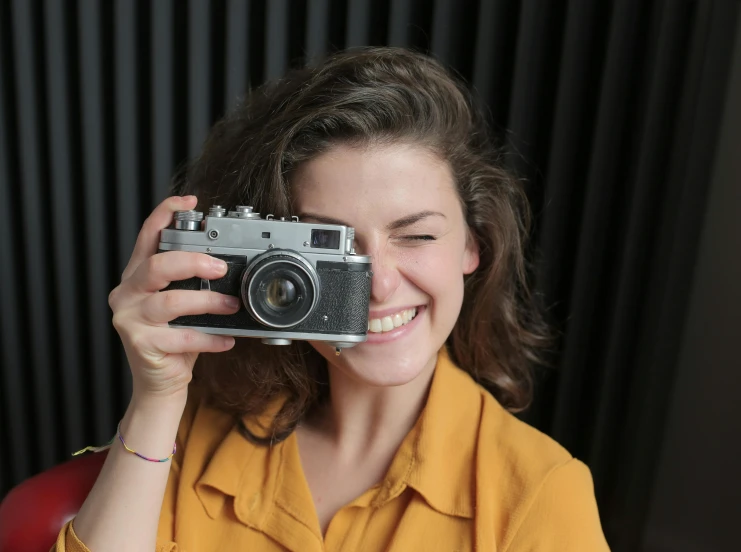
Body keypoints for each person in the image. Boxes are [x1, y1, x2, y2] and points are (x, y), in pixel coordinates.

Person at [54, 47, 609, 551]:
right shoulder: (194, 425)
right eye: (332, 248)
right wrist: (156, 398)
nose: (381, 285)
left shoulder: (537, 493)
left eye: (416, 235)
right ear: (273, 264)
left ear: (473, 245)